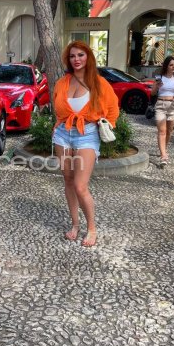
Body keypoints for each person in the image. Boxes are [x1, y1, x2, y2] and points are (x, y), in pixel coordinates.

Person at [53, 41, 119, 247]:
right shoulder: (62, 82)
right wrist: (58, 124)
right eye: (72, 56)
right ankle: (75, 224)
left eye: (80, 55)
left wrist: (108, 124)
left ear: (88, 57)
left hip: (87, 134)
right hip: (63, 134)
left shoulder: (99, 83)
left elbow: (113, 108)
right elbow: (58, 106)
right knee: (68, 179)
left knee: (80, 186)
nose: (76, 59)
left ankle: (92, 228)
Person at [150, 55, 174, 167]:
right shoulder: (159, 77)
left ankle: (164, 148)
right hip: (160, 105)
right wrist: (156, 86)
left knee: (169, 131)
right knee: (162, 131)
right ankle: (163, 155)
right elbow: (152, 93)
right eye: (171, 65)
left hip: (173, 105)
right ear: (166, 66)